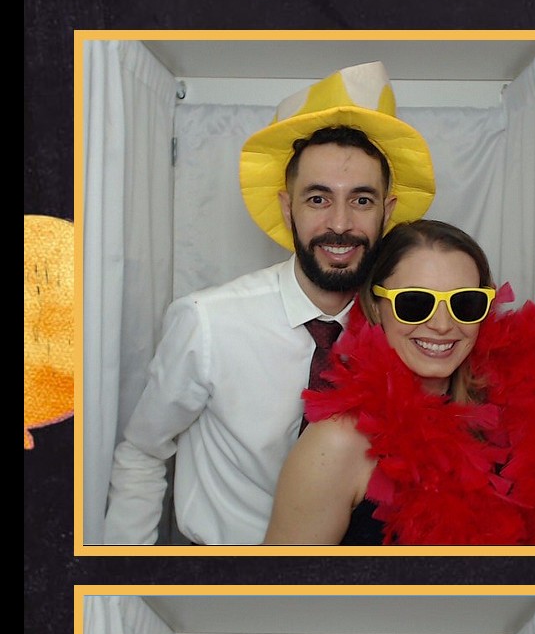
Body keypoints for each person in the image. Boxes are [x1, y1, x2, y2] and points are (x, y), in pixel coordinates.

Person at [102, 62, 435, 545]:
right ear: (287, 207)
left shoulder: (407, 325)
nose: (340, 224)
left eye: (362, 200)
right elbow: (142, 452)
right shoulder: (208, 322)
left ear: (388, 211)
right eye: (318, 199)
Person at [264, 219, 535, 546]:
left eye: (465, 303)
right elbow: (280, 580)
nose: (442, 325)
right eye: (415, 303)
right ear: (375, 306)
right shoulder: (336, 443)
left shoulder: (518, 414)